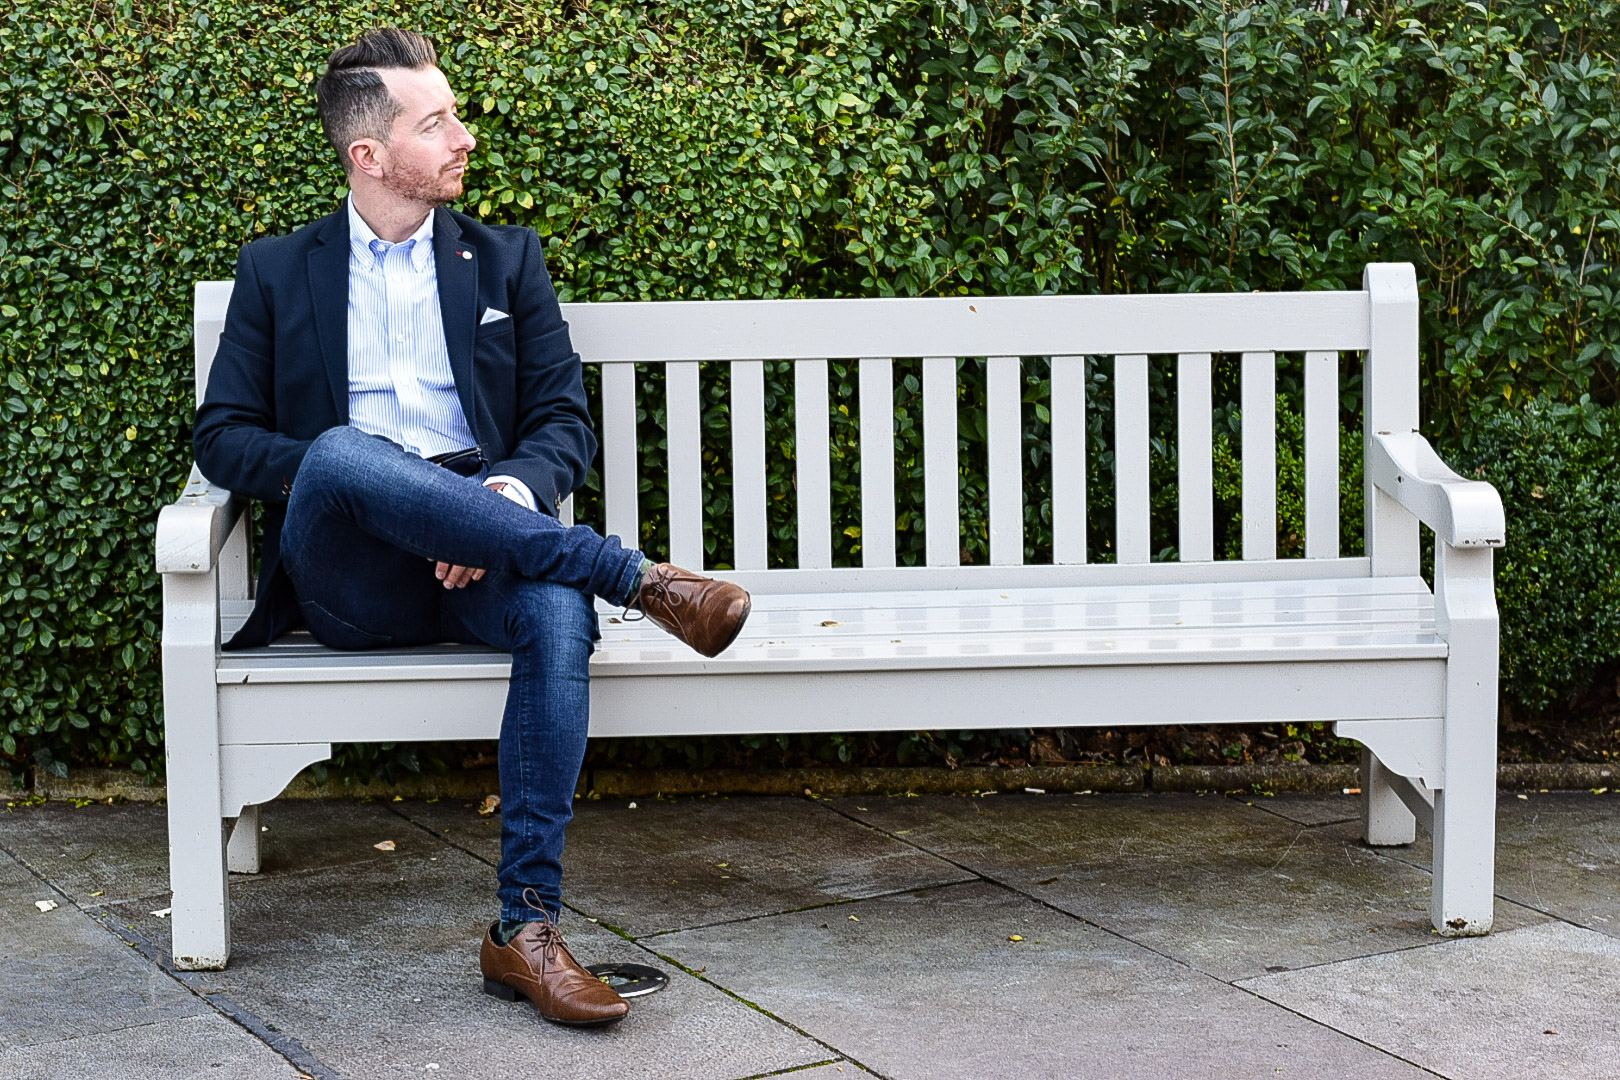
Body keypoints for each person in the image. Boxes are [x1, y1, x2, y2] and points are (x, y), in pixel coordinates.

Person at [193, 27, 751, 1027]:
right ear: (368, 155)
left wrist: (498, 502)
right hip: (353, 572)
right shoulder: (279, 271)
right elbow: (226, 439)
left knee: (554, 612)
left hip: (490, 547)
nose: (464, 136)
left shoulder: (504, 260)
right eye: (436, 121)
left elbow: (558, 421)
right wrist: (389, 488)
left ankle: (525, 928)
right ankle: (633, 576)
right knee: (343, 452)